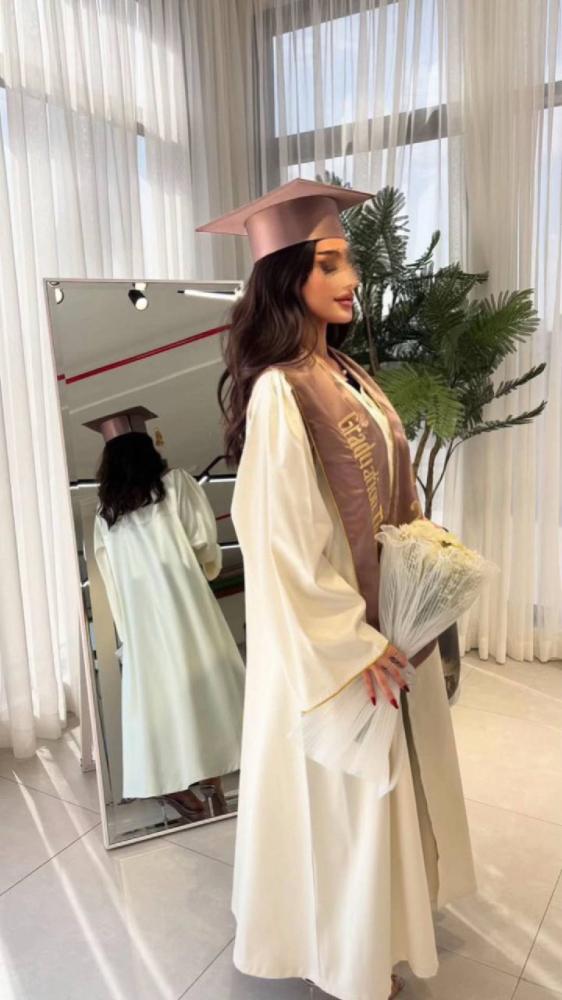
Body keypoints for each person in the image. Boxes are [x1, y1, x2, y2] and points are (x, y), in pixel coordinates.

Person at [197, 180, 477, 1000]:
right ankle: (350, 961)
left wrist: (424, 574)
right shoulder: (281, 392)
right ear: (288, 277)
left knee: (379, 799)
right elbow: (281, 539)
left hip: (382, 628)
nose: (351, 277)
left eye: (348, 259)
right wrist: (353, 642)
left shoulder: (344, 373)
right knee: (345, 806)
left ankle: (379, 938)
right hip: (334, 645)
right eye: (329, 263)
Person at [85, 407, 245, 818]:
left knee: (162, 699)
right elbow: (202, 542)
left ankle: (185, 785)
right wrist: (203, 569)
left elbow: (112, 582)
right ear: (147, 450)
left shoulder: (105, 516)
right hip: (184, 604)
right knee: (206, 686)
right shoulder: (174, 485)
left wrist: (127, 634)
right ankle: (211, 781)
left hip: (141, 621)